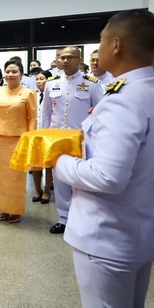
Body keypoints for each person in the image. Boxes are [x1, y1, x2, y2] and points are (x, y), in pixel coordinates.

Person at [53, 9, 154, 308]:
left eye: (101, 41)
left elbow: (108, 177)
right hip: (141, 230)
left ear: (116, 45)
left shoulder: (122, 100)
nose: (97, 50)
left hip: (107, 235)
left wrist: (59, 162)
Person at [42, 46, 104, 235]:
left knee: (80, 181)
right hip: (57, 140)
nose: (66, 61)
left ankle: (82, 218)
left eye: (70, 57)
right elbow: (46, 115)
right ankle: (63, 218)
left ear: (79, 59)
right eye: (62, 57)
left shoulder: (91, 83)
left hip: (81, 140)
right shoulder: (51, 84)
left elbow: (100, 113)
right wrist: (45, 138)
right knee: (60, 180)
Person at [0, 60, 37, 223]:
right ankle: (3, 208)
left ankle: (15, 210)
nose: (10, 74)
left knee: (16, 176)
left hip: (19, 139)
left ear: (21, 74)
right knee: (1, 176)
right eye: (8, 71)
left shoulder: (29, 93)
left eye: (14, 71)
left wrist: (30, 139)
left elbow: (32, 119)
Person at [31, 70, 53, 203]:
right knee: (35, 164)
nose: (39, 81)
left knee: (48, 164)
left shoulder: (53, 95)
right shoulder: (33, 95)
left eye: (42, 79)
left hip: (49, 133)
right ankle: (37, 189)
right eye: (37, 79)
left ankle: (46, 191)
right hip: (35, 133)